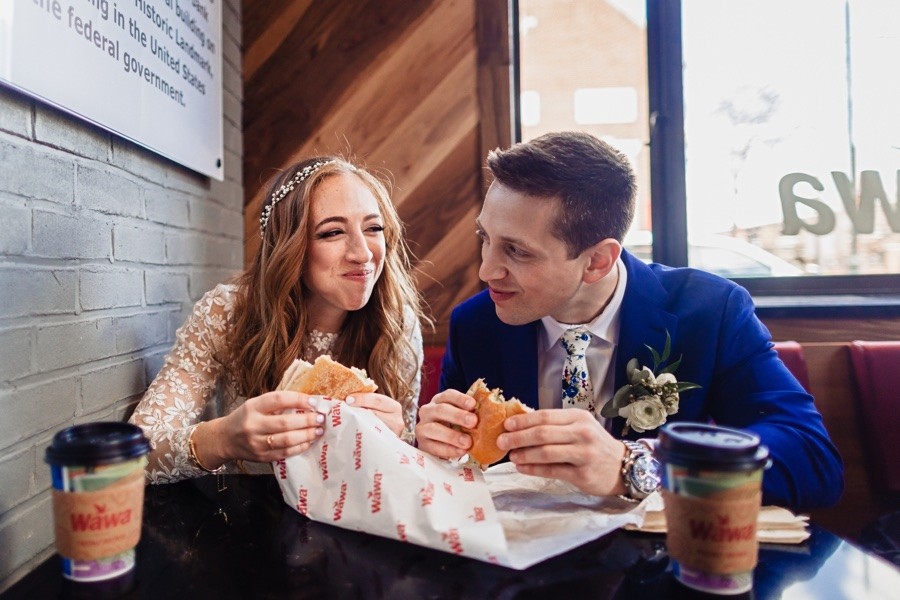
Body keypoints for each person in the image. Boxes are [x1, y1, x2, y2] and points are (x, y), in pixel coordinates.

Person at [415, 131, 843, 511]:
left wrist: (636, 464)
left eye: (517, 251)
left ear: (598, 261)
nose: (486, 271)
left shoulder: (710, 311)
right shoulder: (476, 323)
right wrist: (435, 450)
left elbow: (812, 460)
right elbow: (458, 478)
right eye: (485, 238)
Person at [130, 156, 428, 483]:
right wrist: (222, 439)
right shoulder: (227, 313)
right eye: (332, 232)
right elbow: (134, 455)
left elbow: (401, 483)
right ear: (289, 246)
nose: (363, 253)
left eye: (373, 228)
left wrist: (394, 447)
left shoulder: (397, 323)